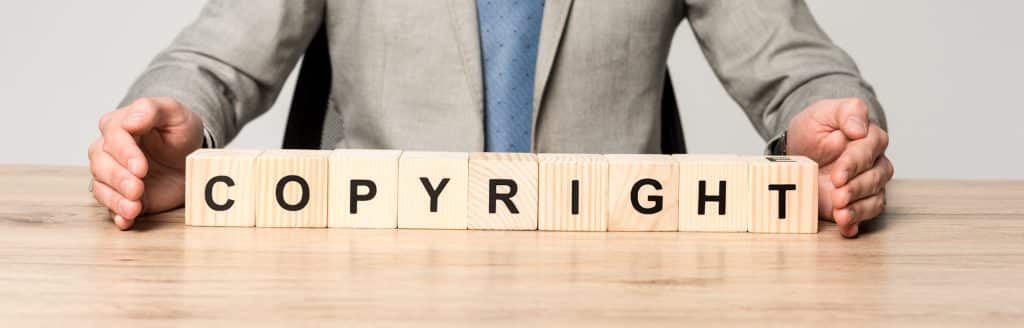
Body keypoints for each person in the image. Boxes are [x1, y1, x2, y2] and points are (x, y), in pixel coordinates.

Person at [88, 0, 893, 236]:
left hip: (620, 286)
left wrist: (827, 134)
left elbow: (800, 66)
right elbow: (215, 58)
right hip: (372, 286)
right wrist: (174, 123)